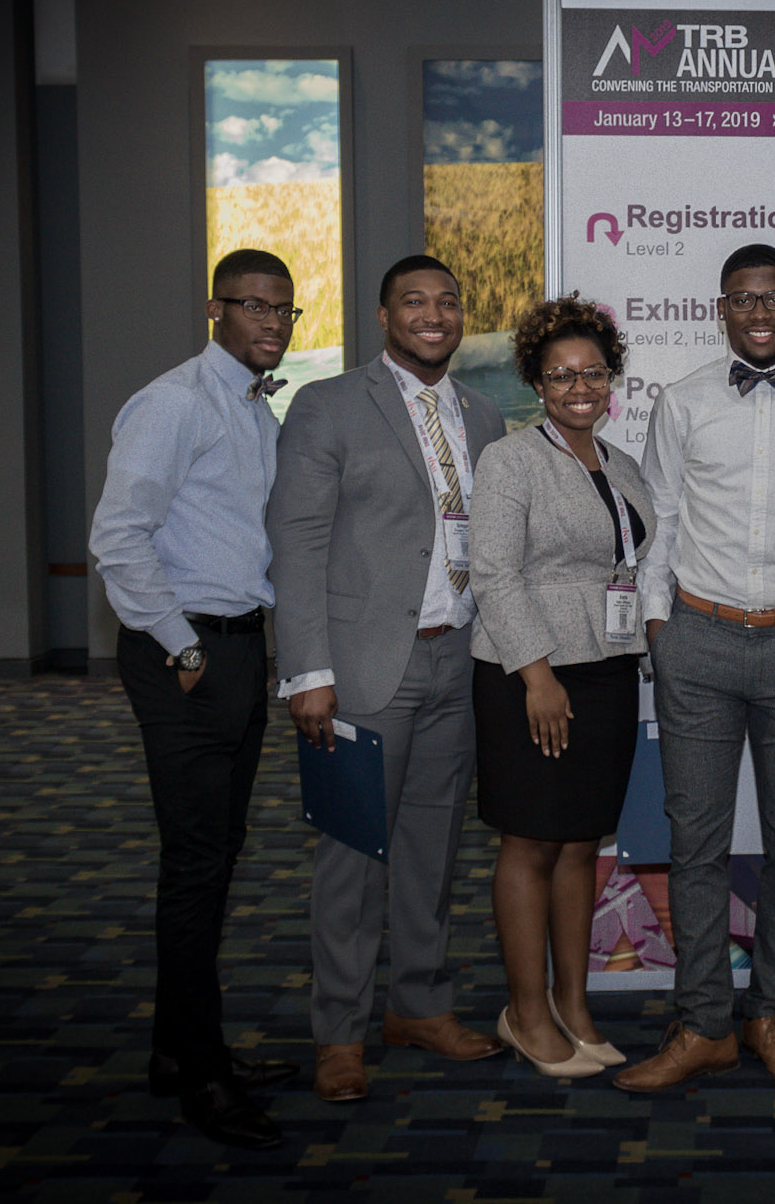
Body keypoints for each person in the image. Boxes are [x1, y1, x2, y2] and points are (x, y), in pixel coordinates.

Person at [613, 242, 775, 1092]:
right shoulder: (681, 404)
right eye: (744, 300)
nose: (759, 313)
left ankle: (770, 1014)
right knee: (697, 844)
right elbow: (661, 521)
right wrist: (659, 628)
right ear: (721, 309)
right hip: (699, 641)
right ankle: (703, 1023)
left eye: (774, 299)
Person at [267, 253, 507, 1103]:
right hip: (363, 667)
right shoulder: (327, 405)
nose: (434, 314)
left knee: (432, 849)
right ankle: (339, 1030)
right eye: (414, 301)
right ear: (382, 315)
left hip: (458, 656)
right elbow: (294, 543)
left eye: (447, 300)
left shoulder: (483, 414)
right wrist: (307, 671)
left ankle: (418, 1003)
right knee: (351, 855)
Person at [89, 247, 302, 1149]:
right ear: (214, 308)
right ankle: (203, 1077)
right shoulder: (174, 401)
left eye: (282, 311)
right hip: (188, 657)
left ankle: (178, 1048)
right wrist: (180, 647)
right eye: (251, 306)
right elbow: (116, 538)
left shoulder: (255, 407)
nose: (268, 322)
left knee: (216, 856)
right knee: (194, 865)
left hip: (237, 648)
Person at [469, 297, 653, 1078]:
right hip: (530, 673)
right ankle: (526, 1010)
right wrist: (537, 674)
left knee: (583, 842)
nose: (579, 386)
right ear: (536, 384)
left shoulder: (621, 462)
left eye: (593, 373)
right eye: (561, 375)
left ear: (610, 380)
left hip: (609, 670)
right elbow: (494, 573)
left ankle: (574, 1003)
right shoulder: (510, 461)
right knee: (531, 840)